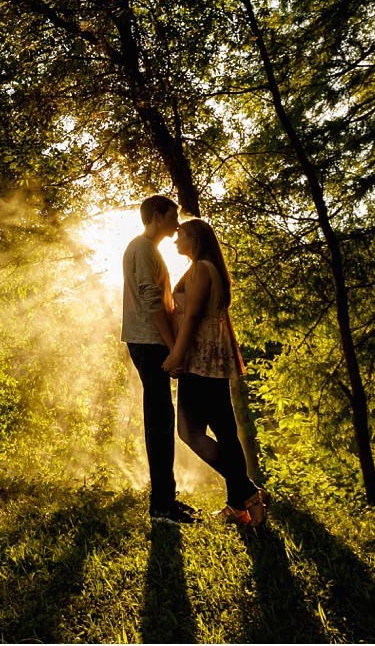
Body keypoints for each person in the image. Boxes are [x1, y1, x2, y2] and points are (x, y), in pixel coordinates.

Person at [163, 217, 267, 526]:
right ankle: (240, 505)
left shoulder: (201, 269)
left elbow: (193, 315)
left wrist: (177, 354)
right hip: (212, 356)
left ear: (194, 238)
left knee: (189, 432)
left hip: (201, 357)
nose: (174, 239)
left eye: (180, 234)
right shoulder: (206, 267)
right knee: (224, 431)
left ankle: (248, 493)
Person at [122, 194, 196, 525]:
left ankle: (165, 502)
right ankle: (162, 507)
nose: (177, 223)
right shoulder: (141, 248)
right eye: (172, 216)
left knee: (162, 420)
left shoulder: (149, 250)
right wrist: (173, 347)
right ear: (156, 215)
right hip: (149, 342)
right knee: (159, 421)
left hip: (152, 342)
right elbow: (152, 301)